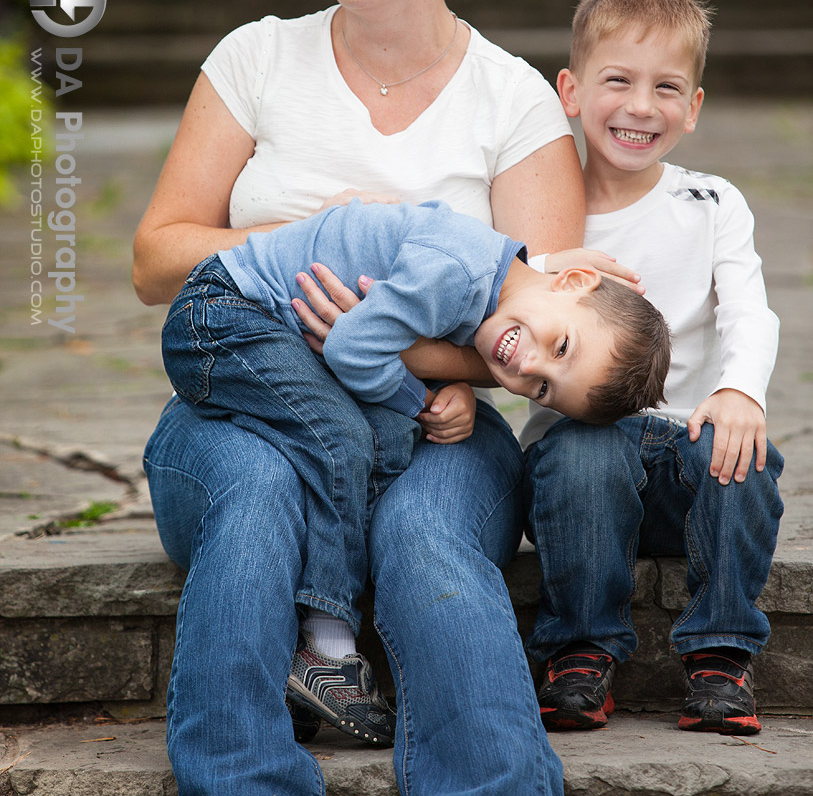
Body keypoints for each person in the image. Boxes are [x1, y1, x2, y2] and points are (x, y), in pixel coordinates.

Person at [135, 0, 592, 796]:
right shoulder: (257, 60)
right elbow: (157, 257)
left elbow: (532, 338)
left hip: (435, 429)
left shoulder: (514, 101)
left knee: (429, 545)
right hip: (238, 405)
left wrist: (392, 348)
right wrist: (318, 245)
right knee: (254, 498)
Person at [162, 198, 670, 745]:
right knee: (343, 441)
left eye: (543, 389)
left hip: (264, 333)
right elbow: (354, 348)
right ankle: (326, 648)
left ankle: (301, 641)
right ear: (571, 279)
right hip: (224, 317)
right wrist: (418, 399)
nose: (527, 367)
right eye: (561, 346)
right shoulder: (456, 271)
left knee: (381, 441)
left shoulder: (489, 286)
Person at [521, 0, 785, 737]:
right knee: (583, 456)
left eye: (666, 87)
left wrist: (739, 392)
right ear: (569, 91)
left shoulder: (709, 202)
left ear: (692, 107)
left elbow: (747, 309)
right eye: (617, 81)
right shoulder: (541, 207)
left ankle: (720, 656)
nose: (640, 106)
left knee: (740, 455)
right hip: (578, 465)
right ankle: (579, 652)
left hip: (689, 456)